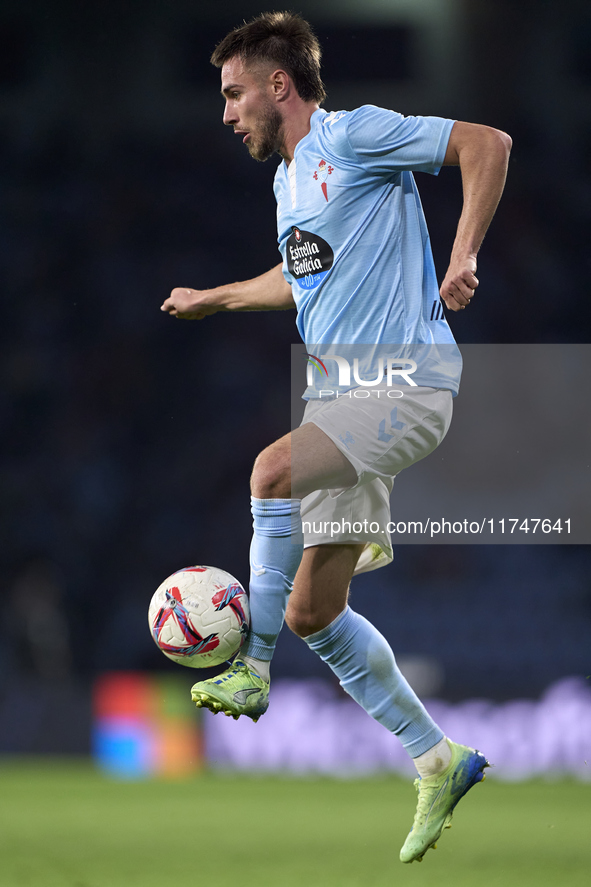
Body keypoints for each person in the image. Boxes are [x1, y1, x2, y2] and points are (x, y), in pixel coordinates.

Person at [160, 11, 511, 864]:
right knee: (316, 608)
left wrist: (460, 255)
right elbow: (298, 275)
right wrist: (215, 296)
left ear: (279, 85)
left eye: (234, 92)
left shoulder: (354, 135)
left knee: (269, 469)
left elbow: (487, 144)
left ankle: (253, 667)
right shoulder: (290, 182)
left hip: (403, 384)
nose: (226, 111)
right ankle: (438, 757)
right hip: (341, 400)